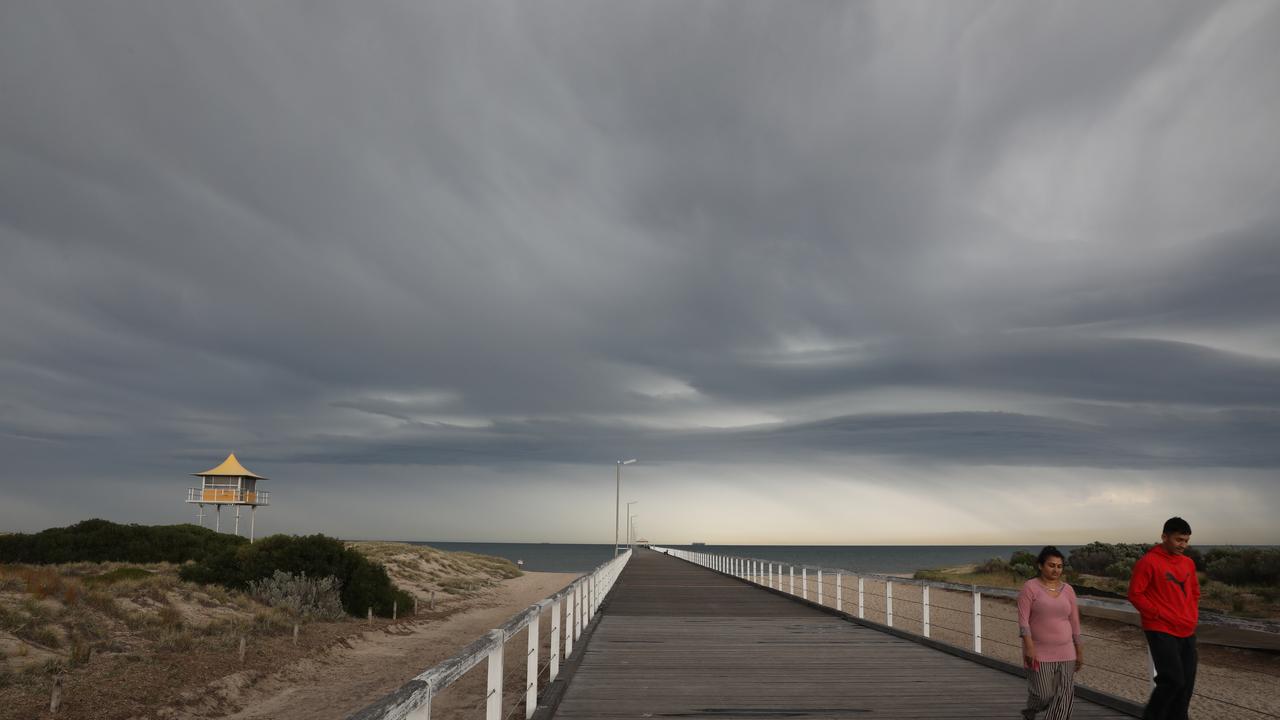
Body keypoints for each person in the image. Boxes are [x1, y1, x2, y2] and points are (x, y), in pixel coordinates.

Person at [1128, 517, 1200, 720]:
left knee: (1186, 685)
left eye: (1186, 541)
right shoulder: (1148, 562)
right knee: (1172, 680)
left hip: (1187, 629)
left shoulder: (1188, 563)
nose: (1183, 545)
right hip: (1160, 629)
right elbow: (1135, 594)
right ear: (1164, 536)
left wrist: (1192, 616)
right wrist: (1157, 614)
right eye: (1179, 540)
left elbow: (1194, 593)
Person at [1018, 546, 1084, 720]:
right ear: (1040, 566)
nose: (1056, 570)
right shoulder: (1030, 587)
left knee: (1064, 695)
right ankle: (1032, 709)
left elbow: (1075, 621)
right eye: (1051, 565)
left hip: (1066, 651)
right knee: (1043, 694)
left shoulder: (1068, 590)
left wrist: (1079, 650)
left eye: (1059, 566)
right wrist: (1029, 647)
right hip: (1039, 650)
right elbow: (1023, 621)